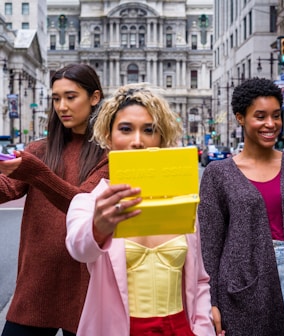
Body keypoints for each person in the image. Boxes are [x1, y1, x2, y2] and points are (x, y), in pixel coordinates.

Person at [65, 83, 215, 336]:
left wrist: (202, 328)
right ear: (109, 136)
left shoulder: (180, 200)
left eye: (149, 130)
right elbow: (79, 250)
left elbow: (199, 279)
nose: (138, 141)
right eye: (125, 129)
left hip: (180, 328)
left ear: (160, 137)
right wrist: (98, 227)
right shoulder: (90, 202)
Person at [198, 77, 284, 336]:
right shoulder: (218, 174)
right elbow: (209, 245)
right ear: (240, 118)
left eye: (276, 116)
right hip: (244, 286)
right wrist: (209, 302)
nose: (271, 124)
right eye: (260, 116)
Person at [0, 63, 109, 336]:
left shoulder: (109, 155)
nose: (62, 106)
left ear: (94, 97)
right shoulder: (38, 149)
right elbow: (6, 190)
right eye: (56, 98)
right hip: (36, 285)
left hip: (87, 287)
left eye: (71, 97)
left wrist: (35, 171)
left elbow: (81, 203)